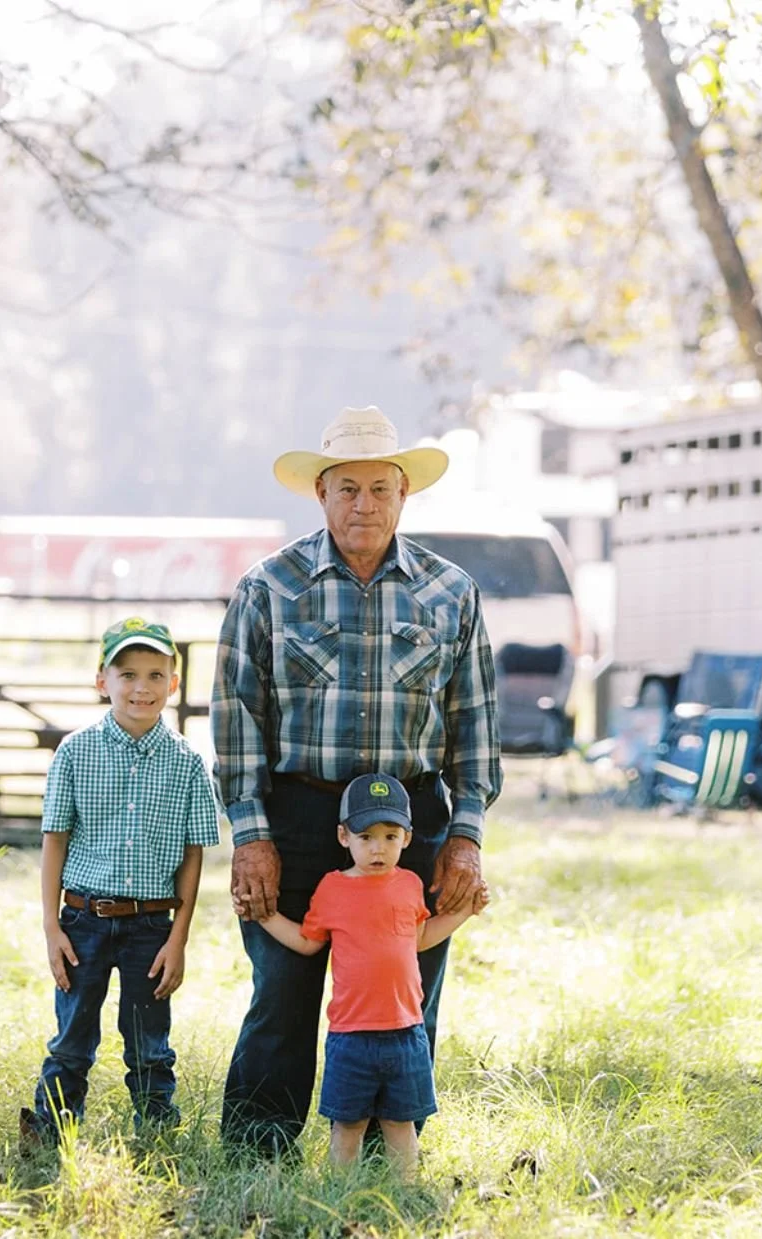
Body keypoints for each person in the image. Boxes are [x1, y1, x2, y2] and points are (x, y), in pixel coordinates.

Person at [215, 405, 502, 1159]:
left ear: (404, 492)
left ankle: (386, 1155)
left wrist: (465, 836)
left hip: (412, 816)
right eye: (347, 488)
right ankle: (257, 1148)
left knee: (402, 993)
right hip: (298, 812)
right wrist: (250, 837)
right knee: (281, 989)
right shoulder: (267, 588)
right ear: (321, 493)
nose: (363, 504)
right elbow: (236, 716)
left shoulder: (451, 592)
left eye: (379, 487)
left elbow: (473, 723)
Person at [22, 616, 221, 1148]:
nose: (141, 687)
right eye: (127, 673)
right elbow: (55, 841)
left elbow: (193, 855)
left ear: (174, 684)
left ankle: (156, 1131)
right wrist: (51, 928)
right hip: (83, 919)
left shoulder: (187, 764)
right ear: (102, 680)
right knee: (72, 1037)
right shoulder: (75, 752)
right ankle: (51, 1131)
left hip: (151, 924)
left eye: (156, 674)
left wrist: (178, 938)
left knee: (150, 1042)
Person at [255, 773, 486, 1178]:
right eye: (366, 837)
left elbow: (419, 939)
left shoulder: (410, 885)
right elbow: (309, 943)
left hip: (405, 1030)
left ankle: (403, 1193)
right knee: (348, 1124)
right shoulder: (332, 888)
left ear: (408, 838)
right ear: (344, 837)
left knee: (401, 1123)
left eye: (390, 836)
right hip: (351, 1035)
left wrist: (465, 911)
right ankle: (339, 1192)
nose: (378, 848)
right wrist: (266, 917)